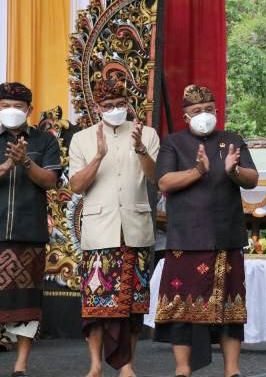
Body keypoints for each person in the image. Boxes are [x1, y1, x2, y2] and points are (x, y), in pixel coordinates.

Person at [154, 84, 258, 377]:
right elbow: (163, 182)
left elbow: (252, 178)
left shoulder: (232, 140)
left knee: (230, 308)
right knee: (181, 309)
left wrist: (233, 171)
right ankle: (182, 369)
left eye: (209, 110)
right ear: (185, 115)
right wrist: (197, 171)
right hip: (186, 240)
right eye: (197, 111)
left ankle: (232, 370)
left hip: (226, 237)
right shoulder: (173, 143)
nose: (204, 115)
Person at [69, 77, 159, 377]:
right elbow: (77, 185)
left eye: (120, 105)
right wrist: (98, 156)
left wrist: (141, 150)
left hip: (135, 229)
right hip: (99, 233)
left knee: (134, 305)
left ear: (128, 104)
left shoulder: (146, 134)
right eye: (108, 106)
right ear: (98, 108)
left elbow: (155, 178)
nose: (115, 110)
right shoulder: (82, 138)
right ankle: (95, 365)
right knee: (95, 306)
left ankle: (128, 365)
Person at [0, 82, 61, 377]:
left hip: (28, 231)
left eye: (18, 107)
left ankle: (21, 365)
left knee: (26, 300)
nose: (11, 111)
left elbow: (50, 180)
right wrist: (6, 165)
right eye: (5, 106)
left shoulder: (44, 140)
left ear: (30, 110)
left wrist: (24, 161)